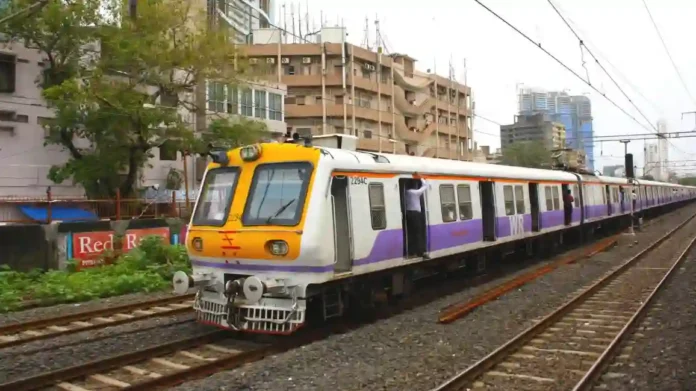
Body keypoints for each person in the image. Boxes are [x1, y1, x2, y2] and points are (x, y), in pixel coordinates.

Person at [405, 174, 430, 259]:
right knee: (418, 233)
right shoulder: (414, 193)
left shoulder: (406, 192)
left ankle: (412, 252)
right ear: (414, 185)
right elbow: (425, 186)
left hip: (408, 214)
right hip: (415, 215)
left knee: (411, 234)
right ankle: (421, 252)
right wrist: (421, 178)